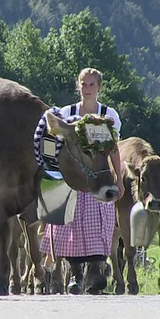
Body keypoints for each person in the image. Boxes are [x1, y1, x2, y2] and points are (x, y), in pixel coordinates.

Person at [40, 67, 125, 295]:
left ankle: (96, 271)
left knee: (99, 225)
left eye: (92, 85)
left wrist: (119, 178)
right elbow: (54, 147)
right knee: (73, 226)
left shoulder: (109, 114)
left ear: (99, 87)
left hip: (100, 177)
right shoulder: (67, 113)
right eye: (83, 84)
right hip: (75, 180)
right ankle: (75, 274)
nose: (87, 89)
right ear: (78, 86)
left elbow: (114, 149)